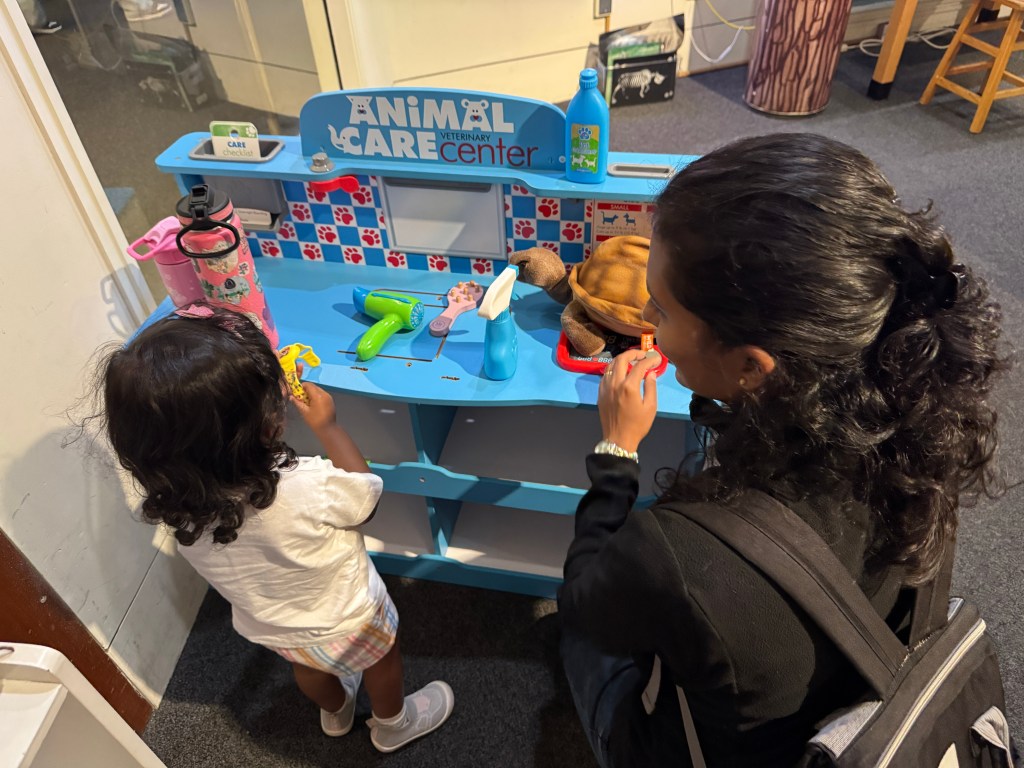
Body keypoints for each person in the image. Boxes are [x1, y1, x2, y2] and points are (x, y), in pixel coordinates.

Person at [558, 133, 1006, 767]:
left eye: (664, 308)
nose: (650, 321)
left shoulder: (673, 552)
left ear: (753, 366)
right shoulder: (927, 418)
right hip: (860, 689)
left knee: (576, 639)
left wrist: (617, 451)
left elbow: (584, 601)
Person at [99, 305, 454, 753]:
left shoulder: (181, 511)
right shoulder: (306, 485)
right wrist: (329, 427)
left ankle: (336, 711)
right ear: (266, 425)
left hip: (276, 627)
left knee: (309, 668)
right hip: (349, 615)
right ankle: (392, 725)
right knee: (382, 659)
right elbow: (366, 499)